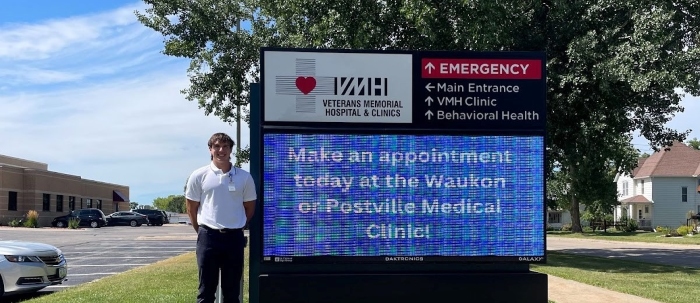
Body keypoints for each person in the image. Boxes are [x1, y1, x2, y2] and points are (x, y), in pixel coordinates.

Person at [185, 132, 257, 303]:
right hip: (208, 237)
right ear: (210, 149)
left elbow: (250, 208)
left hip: (234, 238)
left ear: (231, 149)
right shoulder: (199, 175)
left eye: (225, 146)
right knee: (205, 292)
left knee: (232, 293)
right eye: (216, 146)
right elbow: (191, 208)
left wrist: (236, 224)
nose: (221, 150)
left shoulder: (244, 177)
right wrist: (202, 230)